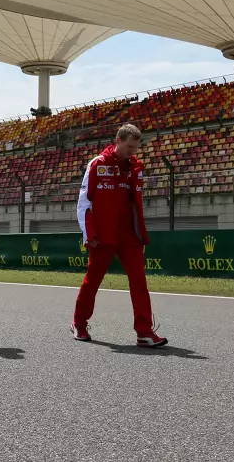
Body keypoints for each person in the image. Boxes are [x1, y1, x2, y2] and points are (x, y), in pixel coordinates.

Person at [71, 123, 167, 348]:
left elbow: (136, 204)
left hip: (129, 237)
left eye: (135, 147)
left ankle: (144, 331)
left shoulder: (135, 167)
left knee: (139, 282)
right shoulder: (97, 164)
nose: (132, 151)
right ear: (118, 141)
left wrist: (140, 232)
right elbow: (84, 202)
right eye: (128, 147)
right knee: (92, 281)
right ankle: (79, 322)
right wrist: (89, 233)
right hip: (102, 236)